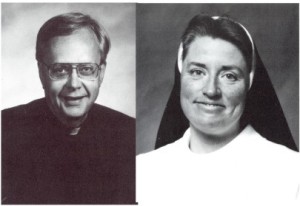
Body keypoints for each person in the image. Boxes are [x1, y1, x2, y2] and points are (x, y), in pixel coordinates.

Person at [137, 15, 300, 206]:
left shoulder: (290, 173)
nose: (211, 90)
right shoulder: (142, 170)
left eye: (229, 75)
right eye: (197, 72)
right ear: (181, 77)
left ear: (249, 83)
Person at [2, 12, 135, 204]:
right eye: (60, 70)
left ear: (101, 72)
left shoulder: (129, 134)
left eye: (86, 69)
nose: (74, 83)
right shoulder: (6, 130)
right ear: (41, 73)